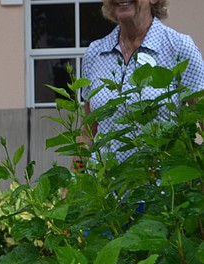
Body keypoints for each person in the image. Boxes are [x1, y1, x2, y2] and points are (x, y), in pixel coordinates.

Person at [82, 0, 204, 161]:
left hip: (161, 184)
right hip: (105, 183)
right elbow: (88, 133)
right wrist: (73, 182)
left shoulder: (179, 48)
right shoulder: (95, 53)